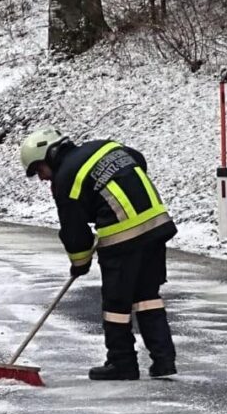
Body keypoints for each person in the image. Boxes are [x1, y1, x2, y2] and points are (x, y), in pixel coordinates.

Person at [19, 127, 177, 380]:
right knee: (147, 296)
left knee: (116, 303)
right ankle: (164, 359)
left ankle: (121, 362)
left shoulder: (66, 179)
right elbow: (138, 159)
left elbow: (75, 233)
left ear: (49, 156)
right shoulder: (105, 146)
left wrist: (79, 263)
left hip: (122, 236)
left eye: (39, 170)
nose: (42, 178)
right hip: (157, 225)